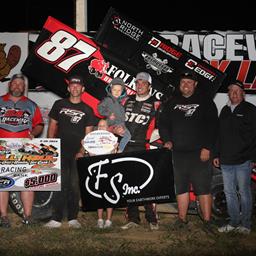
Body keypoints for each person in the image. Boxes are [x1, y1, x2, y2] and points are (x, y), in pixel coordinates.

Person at [158, 71, 218, 233]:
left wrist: (208, 147)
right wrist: (167, 140)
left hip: (199, 154)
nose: (186, 85)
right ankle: (181, 219)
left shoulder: (205, 102)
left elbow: (213, 126)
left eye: (189, 82)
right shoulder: (172, 102)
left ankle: (207, 221)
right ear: (179, 84)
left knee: (203, 188)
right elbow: (163, 123)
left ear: (195, 84)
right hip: (178, 154)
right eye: (183, 82)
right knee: (181, 188)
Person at [44, 75, 97, 229]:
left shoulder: (88, 110)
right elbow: (52, 126)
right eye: (72, 85)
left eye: (78, 85)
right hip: (59, 151)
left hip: (77, 154)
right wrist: (50, 146)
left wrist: (82, 151)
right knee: (60, 184)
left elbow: (88, 135)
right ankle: (56, 218)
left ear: (83, 89)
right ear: (68, 88)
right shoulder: (59, 104)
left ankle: (73, 218)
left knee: (74, 185)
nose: (75, 88)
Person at [0, 73, 44, 227]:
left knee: (27, 183)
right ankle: (4, 217)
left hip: (24, 148)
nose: (17, 86)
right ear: (9, 85)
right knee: (3, 184)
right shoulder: (0, 101)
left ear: (24, 87)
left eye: (20, 84)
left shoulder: (31, 105)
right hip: (2, 148)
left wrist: (34, 133)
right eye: (14, 83)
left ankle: (27, 216)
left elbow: (39, 124)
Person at [213, 80, 256, 235]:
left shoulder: (250, 110)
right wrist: (216, 154)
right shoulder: (224, 110)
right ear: (228, 94)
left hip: (243, 160)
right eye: (231, 91)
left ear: (243, 94)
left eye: (237, 91)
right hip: (226, 160)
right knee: (229, 192)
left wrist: (252, 157)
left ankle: (246, 224)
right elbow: (219, 135)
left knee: (244, 192)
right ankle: (233, 222)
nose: (234, 94)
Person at [118, 72, 160, 231]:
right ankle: (133, 218)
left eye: (143, 83)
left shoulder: (156, 104)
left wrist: (152, 137)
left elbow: (164, 126)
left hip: (144, 147)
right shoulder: (125, 101)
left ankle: (152, 218)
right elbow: (116, 122)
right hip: (126, 146)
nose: (140, 85)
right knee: (129, 184)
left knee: (147, 184)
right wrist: (116, 128)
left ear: (150, 86)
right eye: (137, 83)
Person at [97, 77, 131, 153]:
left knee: (128, 136)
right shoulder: (108, 99)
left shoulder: (122, 102)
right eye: (114, 90)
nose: (116, 92)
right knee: (106, 138)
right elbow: (99, 108)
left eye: (119, 90)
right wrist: (108, 114)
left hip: (120, 124)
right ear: (110, 89)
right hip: (111, 123)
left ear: (122, 91)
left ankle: (119, 150)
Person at [94, 119, 116, 228]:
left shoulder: (112, 139)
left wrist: (115, 149)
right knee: (99, 195)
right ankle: (99, 219)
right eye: (99, 126)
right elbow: (92, 156)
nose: (101, 128)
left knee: (109, 195)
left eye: (103, 126)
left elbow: (114, 156)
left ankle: (108, 220)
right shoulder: (92, 139)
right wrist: (86, 146)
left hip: (109, 169)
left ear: (108, 128)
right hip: (97, 170)